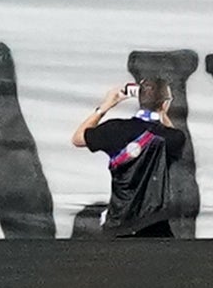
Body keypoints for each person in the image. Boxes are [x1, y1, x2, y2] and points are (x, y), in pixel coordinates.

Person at [79, 72, 194, 237]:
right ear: (165, 104)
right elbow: (173, 133)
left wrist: (105, 106)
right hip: (154, 226)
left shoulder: (114, 128)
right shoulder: (172, 138)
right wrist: (162, 112)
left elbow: (78, 138)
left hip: (118, 225)